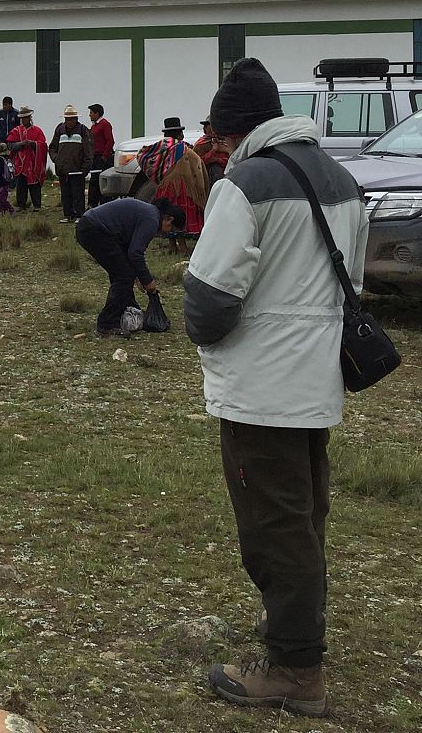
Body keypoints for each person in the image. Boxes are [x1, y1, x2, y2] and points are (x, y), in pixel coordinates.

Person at [185, 58, 368, 716]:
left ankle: (294, 670)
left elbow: (209, 297)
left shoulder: (246, 183)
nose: (219, 148)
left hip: (261, 387)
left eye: (221, 135)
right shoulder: (341, 178)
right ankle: (296, 640)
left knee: (274, 528)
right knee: (304, 518)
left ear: (235, 130)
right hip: (315, 382)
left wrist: (202, 333)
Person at [74, 195, 183, 336]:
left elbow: (128, 248)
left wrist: (137, 276)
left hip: (90, 226)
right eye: (171, 229)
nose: (168, 233)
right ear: (169, 219)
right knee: (123, 276)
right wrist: (148, 281)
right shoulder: (151, 219)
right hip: (93, 229)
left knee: (124, 272)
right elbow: (135, 253)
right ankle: (107, 324)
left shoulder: (150, 213)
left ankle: (128, 310)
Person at [50, 105, 91, 221]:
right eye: (67, 119)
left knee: (78, 194)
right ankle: (68, 215)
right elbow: (52, 147)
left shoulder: (83, 130)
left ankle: (79, 215)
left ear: (76, 119)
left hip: (77, 170)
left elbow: (88, 151)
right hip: (63, 169)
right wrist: (56, 159)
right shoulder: (59, 130)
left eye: (71, 119)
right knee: (65, 194)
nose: (69, 121)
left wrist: (85, 168)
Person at [6, 106, 49, 209]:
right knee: (21, 185)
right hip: (20, 163)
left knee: (34, 184)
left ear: (30, 118)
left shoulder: (37, 130)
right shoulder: (16, 131)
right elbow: (10, 145)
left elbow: (43, 145)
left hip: (33, 163)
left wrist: (33, 144)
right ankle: (21, 205)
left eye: (27, 117)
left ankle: (37, 205)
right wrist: (21, 144)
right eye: (23, 118)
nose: (25, 119)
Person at [86, 103, 115, 209]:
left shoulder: (104, 124)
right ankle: (93, 203)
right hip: (95, 156)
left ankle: (103, 203)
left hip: (102, 157)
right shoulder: (94, 126)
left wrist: (104, 156)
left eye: (91, 113)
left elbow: (110, 140)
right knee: (94, 181)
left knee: (100, 181)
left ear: (97, 113)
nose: (89, 115)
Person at [193, 115, 230, 185]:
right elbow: (198, 162)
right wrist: (213, 151)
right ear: (206, 128)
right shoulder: (200, 144)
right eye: (209, 126)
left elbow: (232, 158)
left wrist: (218, 160)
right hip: (206, 178)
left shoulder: (226, 141)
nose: (212, 129)